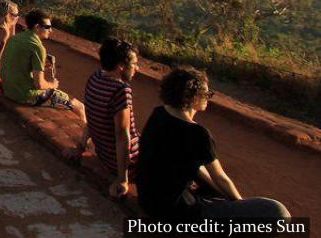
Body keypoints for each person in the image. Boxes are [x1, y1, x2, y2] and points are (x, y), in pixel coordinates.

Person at [137, 67, 290, 221]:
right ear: (194, 97)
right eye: (207, 94)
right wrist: (240, 205)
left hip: (147, 200)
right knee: (277, 212)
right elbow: (220, 178)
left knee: (202, 173)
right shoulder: (198, 133)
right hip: (175, 211)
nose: (208, 98)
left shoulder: (158, 113)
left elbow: (196, 168)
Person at [0, 9, 88, 146]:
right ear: (37, 27)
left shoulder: (15, 38)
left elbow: (18, 64)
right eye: (47, 27)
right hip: (24, 95)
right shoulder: (37, 47)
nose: (50, 30)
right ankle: (85, 141)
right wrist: (53, 85)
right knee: (79, 106)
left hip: (8, 89)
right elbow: (39, 84)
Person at [84, 38, 140, 199]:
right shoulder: (121, 90)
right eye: (134, 64)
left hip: (105, 156)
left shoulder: (95, 77)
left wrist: (81, 146)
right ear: (121, 66)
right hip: (130, 164)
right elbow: (122, 135)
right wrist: (122, 179)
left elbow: (90, 116)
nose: (137, 68)